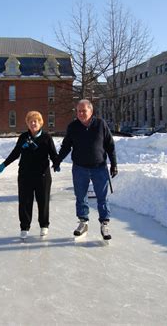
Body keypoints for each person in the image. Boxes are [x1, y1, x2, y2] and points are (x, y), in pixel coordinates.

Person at [54, 99, 117, 240]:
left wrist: (114, 164)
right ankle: (83, 222)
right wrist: (57, 160)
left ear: (91, 111)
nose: (81, 113)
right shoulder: (73, 127)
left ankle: (104, 223)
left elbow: (110, 145)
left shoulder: (101, 124)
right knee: (80, 196)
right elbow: (66, 146)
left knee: (102, 196)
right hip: (79, 168)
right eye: (78, 111)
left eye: (84, 111)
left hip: (99, 167)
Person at [0, 111, 58, 239]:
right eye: (31, 121)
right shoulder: (23, 137)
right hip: (25, 175)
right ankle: (24, 227)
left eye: (36, 121)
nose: (33, 123)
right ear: (27, 123)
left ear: (40, 123)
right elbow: (15, 153)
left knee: (43, 201)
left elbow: (53, 154)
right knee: (24, 202)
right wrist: (4, 164)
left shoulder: (46, 137)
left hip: (42, 175)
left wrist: (57, 163)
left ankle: (44, 225)